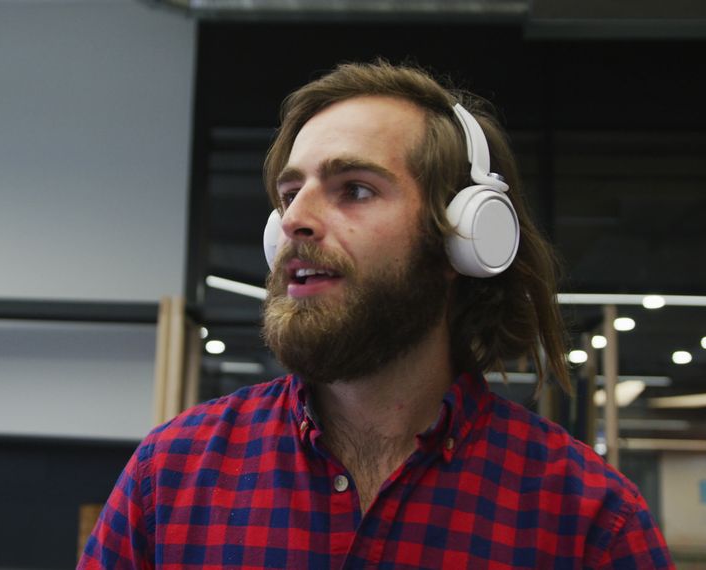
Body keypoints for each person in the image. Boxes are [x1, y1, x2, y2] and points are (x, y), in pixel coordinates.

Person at [79, 60, 672, 569]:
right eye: (289, 194)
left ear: (460, 238)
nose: (293, 221)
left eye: (354, 189)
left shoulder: (588, 521)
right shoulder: (172, 473)